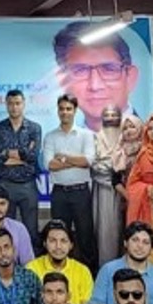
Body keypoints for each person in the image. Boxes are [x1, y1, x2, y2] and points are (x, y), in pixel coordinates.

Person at [42, 95, 97, 264]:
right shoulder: (50, 136)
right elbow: (49, 164)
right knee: (59, 236)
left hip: (81, 193)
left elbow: (87, 161)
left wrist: (64, 158)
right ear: (58, 111)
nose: (65, 112)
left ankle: (88, 273)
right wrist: (75, 161)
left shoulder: (86, 135)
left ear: (75, 111)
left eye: (68, 109)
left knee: (85, 235)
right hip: (59, 193)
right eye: (62, 109)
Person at [53, 21, 142, 124]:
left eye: (109, 69)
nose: (95, 86)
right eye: (80, 70)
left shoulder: (146, 132)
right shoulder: (64, 133)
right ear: (62, 80)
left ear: (130, 77)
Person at [0, 89, 43, 229]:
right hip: (4, 185)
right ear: (6, 105)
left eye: (17, 103)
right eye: (11, 103)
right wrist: (22, 156)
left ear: (23, 104)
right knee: (5, 230)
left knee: (31, 229)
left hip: (28, 185)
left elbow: (33, 156)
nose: (14, 107)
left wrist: (6, 153)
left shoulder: (34, 128)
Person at [124, 113, 153, 269]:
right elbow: (132, 184)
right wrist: (148, 189)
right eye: (150, 128)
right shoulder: (143, 154)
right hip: (147, 208)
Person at [91, 104, 129, 267]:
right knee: (106, 233)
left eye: (114, 114)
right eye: (107, 114)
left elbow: (130, 164)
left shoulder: (127, 137)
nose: (111, 117)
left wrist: (119, 171)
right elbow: (95, 166)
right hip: (104, 191)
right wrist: (114, 170)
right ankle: (107, 270)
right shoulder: (95, 138)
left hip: (127, 191)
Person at [28, 220, 95, 304]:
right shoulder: (31, 269)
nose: (58, 246)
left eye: (63, 241)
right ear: (44, 244)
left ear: (71, 245)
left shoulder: (82, 271)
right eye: (52, 241)